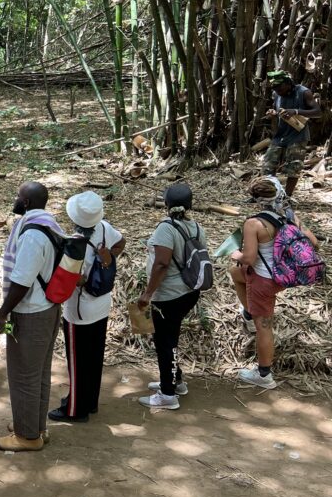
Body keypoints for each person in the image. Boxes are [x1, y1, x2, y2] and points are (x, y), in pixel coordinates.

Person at [0, 182, 63, 451]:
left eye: (18, 196)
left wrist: (1, 315)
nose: (15, 199)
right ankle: (36, 426)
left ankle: (27, 436)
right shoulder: (50, 224)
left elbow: (21, 280)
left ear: (28, 202)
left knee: (23, 375)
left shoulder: (33, 235)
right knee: (38, 373)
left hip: (32, 312)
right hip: (48, 307)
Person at [230, 177, 319, 389]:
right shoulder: (289, 216)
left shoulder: (254, 223)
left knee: (264, 327)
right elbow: (313, 242)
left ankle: (263, 375)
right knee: (236, 273)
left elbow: (249, 259)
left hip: (263, 281)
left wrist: (235, 253)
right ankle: (249, 313)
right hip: (282, 277)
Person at [49, 192, 125, 423]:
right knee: (93, 357)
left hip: (79, 310)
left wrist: (79, 279)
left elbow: (72, 277)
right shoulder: (104, 228)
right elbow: (121, 242)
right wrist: (107, 257)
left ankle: (75, 409)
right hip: (101, 304)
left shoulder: (73, 241)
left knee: (77, 361)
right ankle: (89, 401)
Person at [137, 183, 208, 410]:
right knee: (170, 339)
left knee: (165, 342)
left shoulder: (166, 229)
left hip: (168, 295)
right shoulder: (196, 227)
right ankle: (176, 381)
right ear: (189, 205)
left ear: (166, 204)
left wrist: (148, 294)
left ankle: (167, 394)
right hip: (189, 292)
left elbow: (161, 264)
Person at [262, 69, 320, 197]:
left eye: (280, 88)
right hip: (280, 135)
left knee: (293, 168)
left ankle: (286, 197)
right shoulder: (277, 94)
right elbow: (281, 112)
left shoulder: (304, 92)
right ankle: (265, 195)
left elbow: (317, 112)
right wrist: (273, 113)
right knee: (268, 165)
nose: (278, 91)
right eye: (275, 89)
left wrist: (296, 111)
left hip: (298, 136)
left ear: (288, 83)